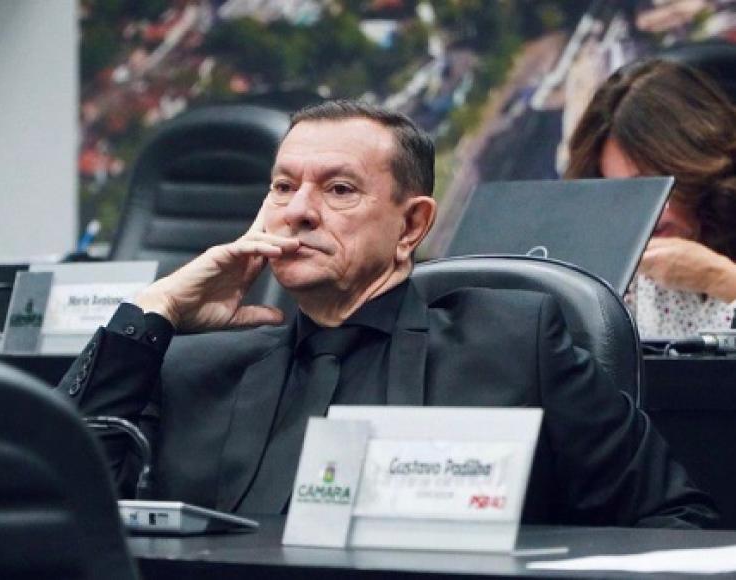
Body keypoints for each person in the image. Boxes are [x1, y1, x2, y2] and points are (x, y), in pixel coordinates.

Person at [58, 100, 716, 527]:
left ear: (412, 226)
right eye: (283, 187)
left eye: (339, 189)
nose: (298, 211)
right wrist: (154, 309)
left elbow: (676, 522)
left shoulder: (516, 345)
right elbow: (57, 503)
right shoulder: (195, 367)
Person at [565, 58, 736, 337]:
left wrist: (719, 279)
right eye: (624, 195)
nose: (647, 214)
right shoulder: (631, 270)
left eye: (653, 183)